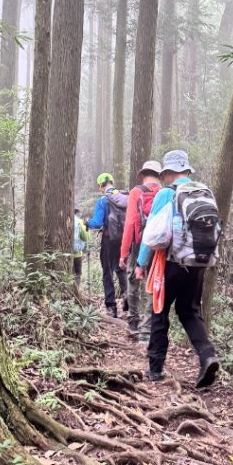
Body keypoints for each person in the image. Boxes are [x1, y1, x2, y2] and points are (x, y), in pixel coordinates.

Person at [136, 150, 219, 389]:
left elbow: (152, 233)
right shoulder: (204, 192)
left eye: (165, 174)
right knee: (190, 311)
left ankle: (155, 368)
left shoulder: (167, 194)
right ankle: (207, 356)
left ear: (169, 173)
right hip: (197, 264)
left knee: (159, 311)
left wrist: (142, 263)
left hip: (170, 263)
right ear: (187, 170)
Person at [119, 160, 162, 342]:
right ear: (158, 175)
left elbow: (130, 224)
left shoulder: (136, 192)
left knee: (133, 281)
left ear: (143, 175)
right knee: (155, 282)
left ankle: (133, 322)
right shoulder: (165, 192)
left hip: (139, 241)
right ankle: (148, 328)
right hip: (160, 244)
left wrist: (123, 253)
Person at [86, 173, 128, 317]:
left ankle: (111, 307)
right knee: (122, 269)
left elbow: (97, 223)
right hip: (124, 240)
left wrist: (87, 222)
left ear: (101, 185)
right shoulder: (124, 197)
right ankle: (128, 299)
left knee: (107, 272)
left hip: (109, 239)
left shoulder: (103, 200)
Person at [73, 207, 89, 302]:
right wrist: (87, 225)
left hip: (64, 254)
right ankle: (76, 292)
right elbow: (85, 237)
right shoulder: (79, 221)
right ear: (78, 213)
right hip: (77, 253)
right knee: (77, 273)